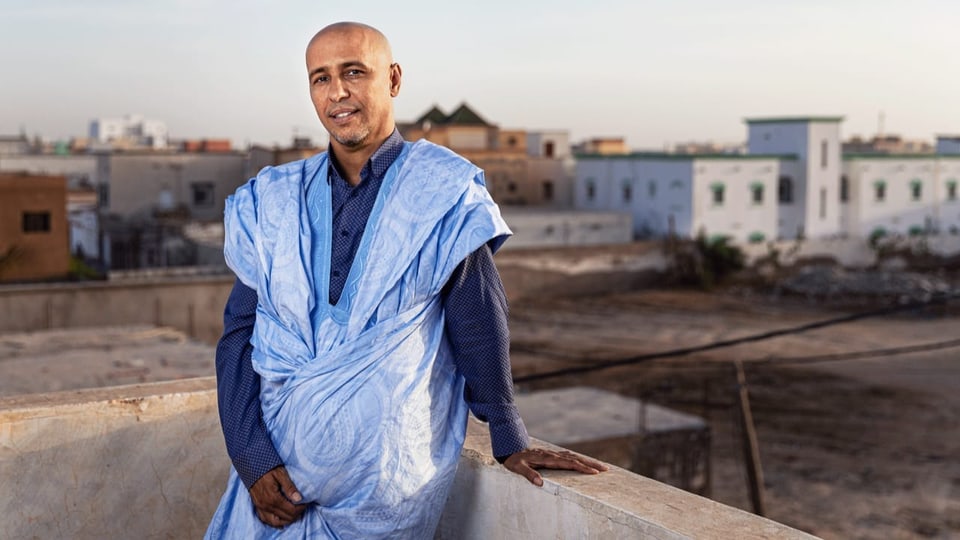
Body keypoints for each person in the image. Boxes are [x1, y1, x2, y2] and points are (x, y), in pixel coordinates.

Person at [205, 21, 607, 538]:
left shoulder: (440, 190)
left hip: (386, 500)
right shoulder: (274, 200)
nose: (338, 93)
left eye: (354, 72)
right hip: (274, 495)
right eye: (320, 78)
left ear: (392, 79)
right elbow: (240, 335)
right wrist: (252, 457)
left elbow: (478, 319)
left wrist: (509, 435)